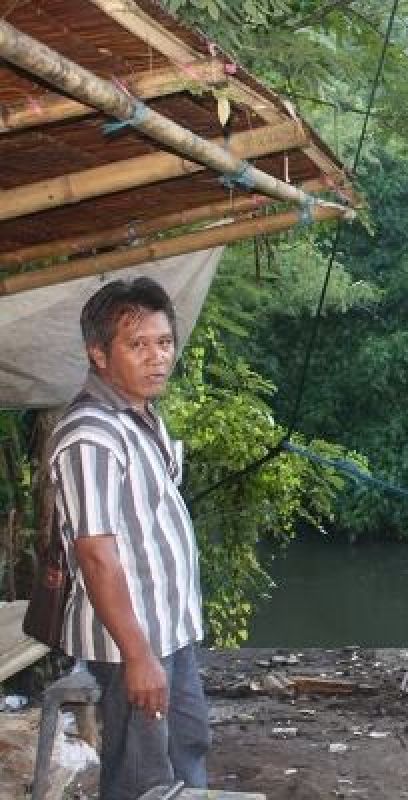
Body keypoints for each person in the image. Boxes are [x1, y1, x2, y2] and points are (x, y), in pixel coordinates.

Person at [48, 277, 208, 799]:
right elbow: (96, 556)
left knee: (185, 752)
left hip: (169, 632)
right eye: (137, 345)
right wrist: (139, 656)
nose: (157, 357)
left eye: (164, 343)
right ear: (99, 354)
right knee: (143, 777)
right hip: (132, 644)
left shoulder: (141, 418)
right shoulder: (91, 434)